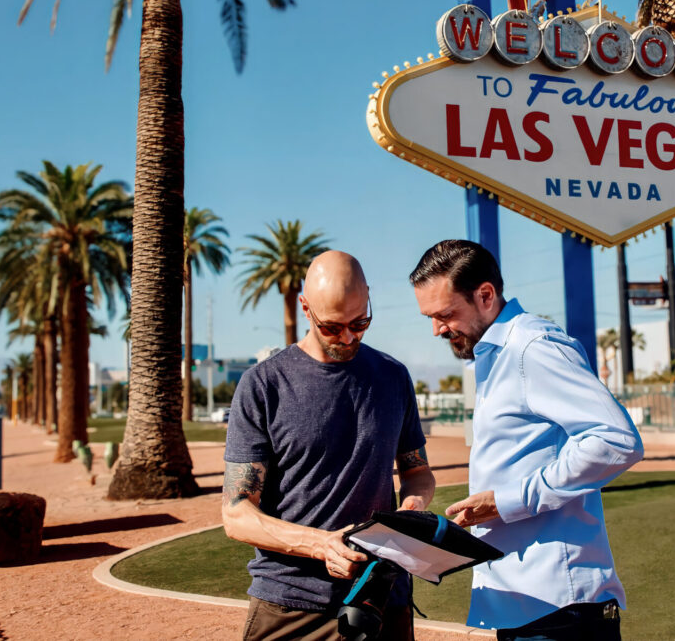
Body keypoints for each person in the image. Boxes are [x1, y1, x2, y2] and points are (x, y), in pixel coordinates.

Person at [410, 239, 644, 640]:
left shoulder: (532, 346)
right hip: (523, 607)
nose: (437, 329)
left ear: (486, 295)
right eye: (430, 317)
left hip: (558, 611)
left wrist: (506, 501)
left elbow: (616, 439)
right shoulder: (494, 355)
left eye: (445, 314)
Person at [223, 250, 435, 641]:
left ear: (368, 297)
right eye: (332, 327)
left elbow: (417, 472)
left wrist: (412, 509)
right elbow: (237, 514)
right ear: (305, 308)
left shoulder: (393, 376)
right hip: (292, 603)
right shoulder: (263, 385)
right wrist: (322, 545)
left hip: (381, 598)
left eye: (360, 322)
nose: (349, 337)